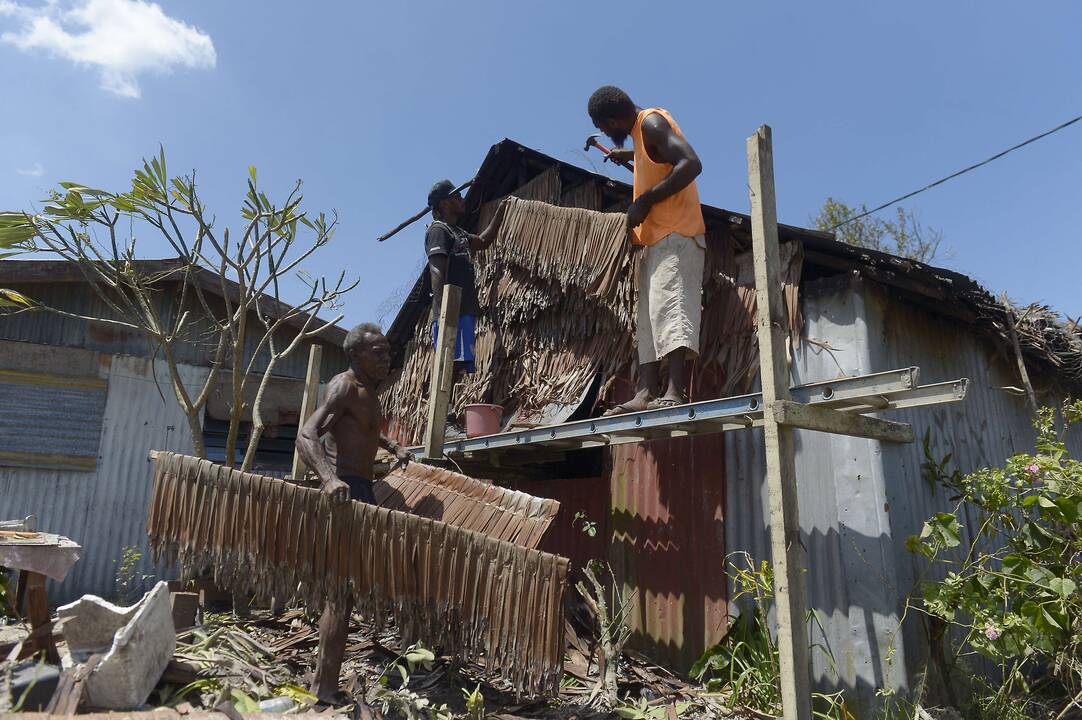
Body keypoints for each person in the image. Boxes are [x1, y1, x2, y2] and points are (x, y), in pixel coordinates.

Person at [294, 322, 413, 703]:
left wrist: (392, 445)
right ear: (356, 355)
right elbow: (306, 434)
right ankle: (323, 686)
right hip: (345, 490)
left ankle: (326, 682)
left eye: (388, 353)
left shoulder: (368, 392)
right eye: (378, 353)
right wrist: (328, 479)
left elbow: (360, 428)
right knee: (341, 591)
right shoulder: (343, 385)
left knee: (351, 587)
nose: (386, 358)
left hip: (362, 489)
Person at [587, 85, 706, 413]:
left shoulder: (652, 123)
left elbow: (691, 164)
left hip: (677, 233)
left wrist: (646, 200)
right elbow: (653, 156)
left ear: (612, 119)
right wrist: (627, 155)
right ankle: (646, 392)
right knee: (650, 318)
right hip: (655, 238)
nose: (606, 134)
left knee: (672, 307)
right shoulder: (642, 135)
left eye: (604, 128)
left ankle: (675, 391)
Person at [424, 180, 508, 377]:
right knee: (450, 364)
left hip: (464, 310)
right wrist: (445, 313)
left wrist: (500, 213)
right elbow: (436, 271)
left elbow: (483, 241)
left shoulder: (458, 233)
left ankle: (448, 405)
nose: (462, 200)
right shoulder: (438, 230)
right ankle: (445, 406)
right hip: (452, 311)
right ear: (444, 204)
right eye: (456, 197)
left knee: (459, 365)